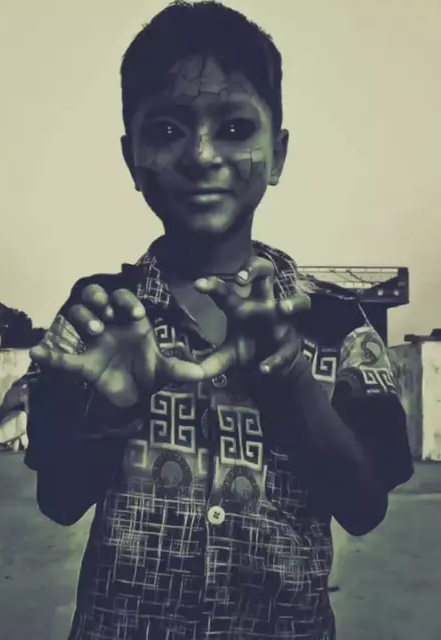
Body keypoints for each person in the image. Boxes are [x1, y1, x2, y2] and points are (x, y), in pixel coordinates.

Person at [25, 2, 414, 639]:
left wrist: (290, 377)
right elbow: (59, 500)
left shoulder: (335, 324)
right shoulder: (97, 316)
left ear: (278, 154)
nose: (202, 155)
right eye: (168, 129)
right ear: (131, 157)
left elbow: (364, 507)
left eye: (234, 128)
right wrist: (112, 411)